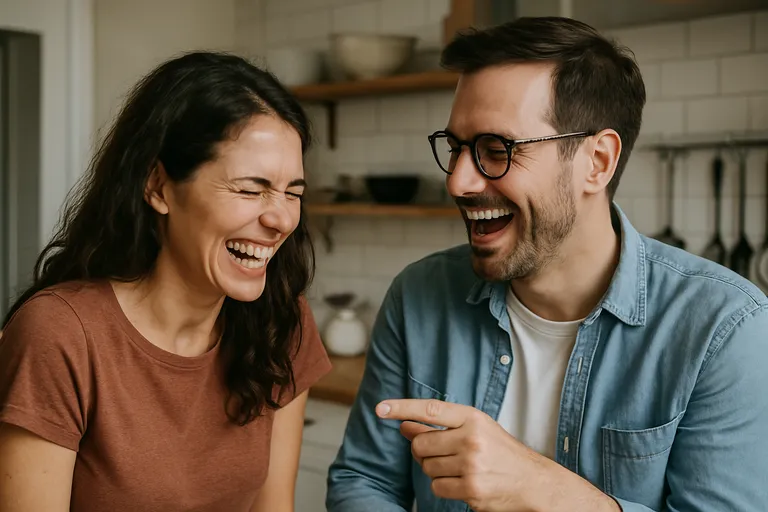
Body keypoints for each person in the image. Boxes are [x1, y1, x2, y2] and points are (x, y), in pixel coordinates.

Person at [326, 16, 768, 512]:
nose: (459, 181)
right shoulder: (417, 294)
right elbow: (365, 481)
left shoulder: (726, 330)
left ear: (597, 161)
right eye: (456, 149)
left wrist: (541, 487)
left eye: (497, 150)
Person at [0, 51, 332, 511]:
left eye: (293, 193)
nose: (280, 218)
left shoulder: (282, 322)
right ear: (158, 186)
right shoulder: (60, 334)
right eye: (250, 189)